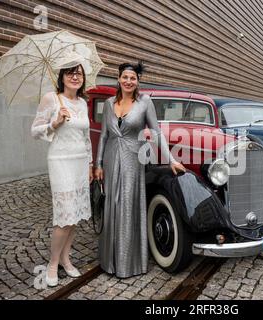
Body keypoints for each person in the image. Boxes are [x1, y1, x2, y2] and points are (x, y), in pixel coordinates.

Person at [94, 62, 186, 278]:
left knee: (128, 206)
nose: (128, 81)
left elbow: (157, 132)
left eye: (132, 78)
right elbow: (104, 135)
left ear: (137, 82)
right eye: (125, 77)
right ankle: (110, 260)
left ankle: (129, 262)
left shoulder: (145, 102)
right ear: (118, 79)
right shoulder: (108, 103)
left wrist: (171, 159)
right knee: (111, 207)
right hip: (110, 159)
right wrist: (97, 164)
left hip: (132, 161)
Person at [31, 57, 93, 287]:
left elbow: (86, 138)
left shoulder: (83, 103)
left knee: (75, 214)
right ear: (62, 77)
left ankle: (66, 259)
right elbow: (34, 131)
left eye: (79, 73)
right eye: (70, 73)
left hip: (79, 162)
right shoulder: (51, 99)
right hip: (60, 161)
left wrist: (90, 164)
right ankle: (52, 262)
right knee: (64, 215)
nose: (75, 76)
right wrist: (54, 123)